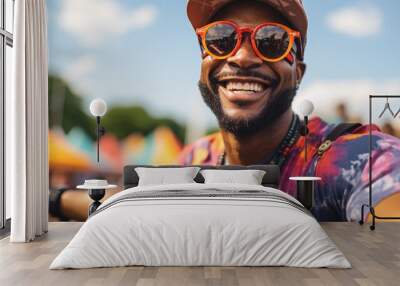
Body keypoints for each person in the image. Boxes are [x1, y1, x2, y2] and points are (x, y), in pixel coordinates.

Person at [179, 0, 400, 221]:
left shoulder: (359, 159)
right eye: (220, 39)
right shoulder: (192, 161)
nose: (242, 58)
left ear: (298, 74)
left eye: (272, 41)